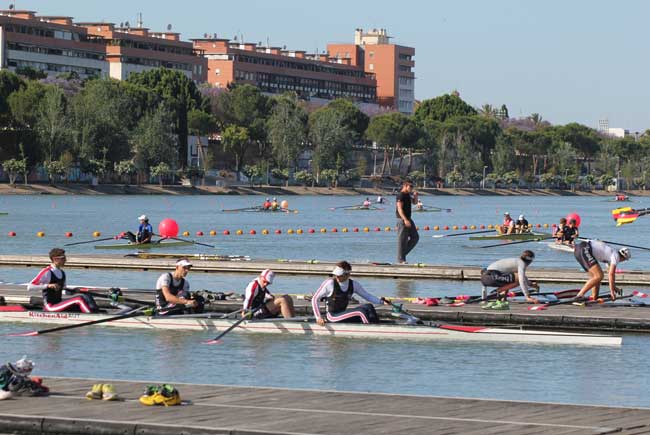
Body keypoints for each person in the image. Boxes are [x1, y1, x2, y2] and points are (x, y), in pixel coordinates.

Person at [312, 261, 391, 325]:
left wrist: (382, 302)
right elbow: (314, 299)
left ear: (348, 274)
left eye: (340, 275)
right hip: (332, 316)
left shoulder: (353, 284)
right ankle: (369, 330)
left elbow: (367, 296)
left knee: (368, 307)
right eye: (336, 275)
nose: (337, 277)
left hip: (343, 314)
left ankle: (376, 326)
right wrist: (318, 317)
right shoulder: (330, 283)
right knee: (360, 312)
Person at [28, 248, 99, 313]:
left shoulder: (62, 272)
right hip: (50, 306)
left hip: (59, 303)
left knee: (86, 296)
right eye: (63, 258)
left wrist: (75, 290)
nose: (65, 260)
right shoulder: (47, 271)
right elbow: (30, 287)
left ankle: (97, 313)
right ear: (55, 259)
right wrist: (48, 285)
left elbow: (65, 290)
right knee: (79, 299)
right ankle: (92, 317)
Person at [396, 179, 419, 264]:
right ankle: (401, 259)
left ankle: (402, 255)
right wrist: (405, 220)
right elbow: (399, 209)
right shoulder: (400, 195)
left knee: (415, 237)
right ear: (405, 185)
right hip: (402, 219)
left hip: (409, 219)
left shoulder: (407, 195)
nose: (412, 188)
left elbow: (414, 202)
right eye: (410, 186)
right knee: (402, 240)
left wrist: (416, 196)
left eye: (412, 186)